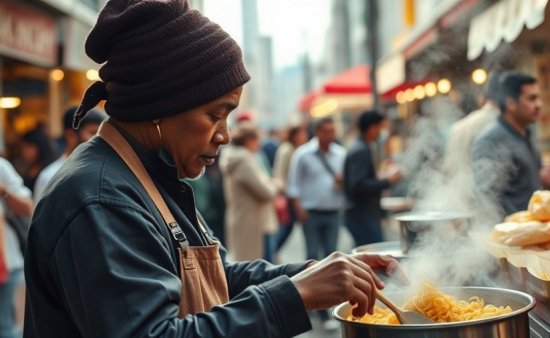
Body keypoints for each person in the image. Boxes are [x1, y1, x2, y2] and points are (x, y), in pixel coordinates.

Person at [24, 1, 399, 337]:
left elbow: (219, 278)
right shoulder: (102, 199)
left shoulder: (153, 173)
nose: (225, 135)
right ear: (160, 104)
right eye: (215, 115)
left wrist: (315, 274)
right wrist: (295, 296)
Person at [472, 71, 550, 218]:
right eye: (532, 99)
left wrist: (539, 178)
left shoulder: (526, 133)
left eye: (539, 98)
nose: (539, 104)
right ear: (511, 103)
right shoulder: (493, 140)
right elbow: (486, 198)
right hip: (512, 234)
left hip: (534, 228)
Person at [286, 117, 346, 329]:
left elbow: (346, 183)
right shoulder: (302, 154)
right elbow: (293, 186)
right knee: (312, 259)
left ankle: (329, 310)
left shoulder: (341, 154)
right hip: (310, 213)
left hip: (332, 212)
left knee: (332, 258)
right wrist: (299, 210)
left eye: (332, 131)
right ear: (318, 132)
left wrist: (342, 183)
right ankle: (312, 307)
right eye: (326, 131)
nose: (330, 135)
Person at [220, 121, 280, 262]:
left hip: (244, 218)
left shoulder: (235, 157)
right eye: (257, 139)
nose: (259, 144)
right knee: (261, 270)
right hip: (255, 223)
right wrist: (276, 184)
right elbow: (266, 192)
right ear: (248, 140)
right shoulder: (243, 160)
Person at [343, 111, 402, 246]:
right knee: (374, 255)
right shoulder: (360, 150)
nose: (384, 132)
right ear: (371, 128)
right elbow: (357, 185)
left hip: (363, 214)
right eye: (381, 127)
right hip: (362, 215)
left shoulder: (364, 147)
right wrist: (388, 181)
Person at [33, 106, 105, 203]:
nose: (99, 138)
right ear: (70, 136)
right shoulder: (51, 176)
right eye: (92, 133)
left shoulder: (105, 171)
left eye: (101, 133)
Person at [0, 157, 34, 338]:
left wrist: (3, 191)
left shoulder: (1, 167)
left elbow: (28, 207)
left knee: (5, 325)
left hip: (6, 261)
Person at [443, 71, 502, 174]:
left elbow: (448, 169)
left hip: (459, 188)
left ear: (482, 99)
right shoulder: (501, 124)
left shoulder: (457, 128)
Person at [273, 125, 308, 254]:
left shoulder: (293, 149)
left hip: (290, 194)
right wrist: (287, 193)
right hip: (287, 195)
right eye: (301, 134)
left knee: (288, 226)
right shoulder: (287, 149)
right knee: (286, 226)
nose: (304, 137)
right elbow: (281, 173)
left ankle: (274, 251)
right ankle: (274, 251)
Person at [18, 125, 57, 191]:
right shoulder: (28, 170)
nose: (25, 153)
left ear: (40, 147)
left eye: (29, 147)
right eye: (23, 148)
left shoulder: (49, 171)